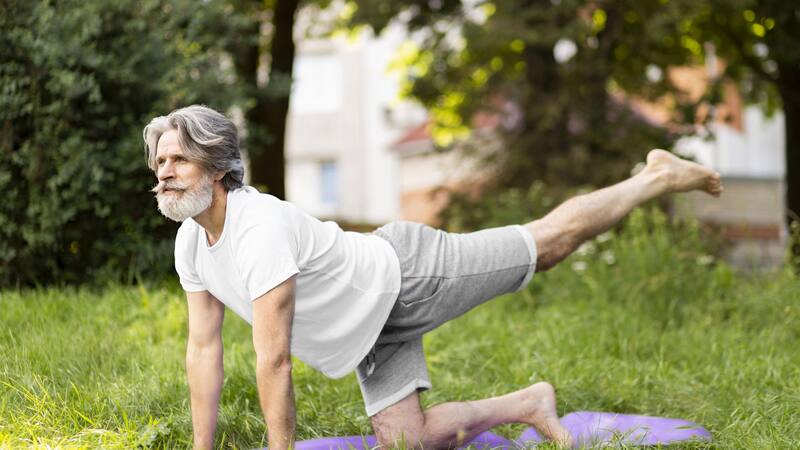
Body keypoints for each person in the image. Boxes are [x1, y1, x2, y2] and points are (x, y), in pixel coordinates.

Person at [143, 105, 723, 450]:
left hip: (407, 275)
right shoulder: (192, 242)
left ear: (218, 169)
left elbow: (272, 361)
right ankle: (529, 402)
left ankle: (656, 178)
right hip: (368, 332)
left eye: (178, 161)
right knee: (410, 442)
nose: (164, 173)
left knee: (547, 244)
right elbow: (203, 349)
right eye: (160, 162)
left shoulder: (258, 228)